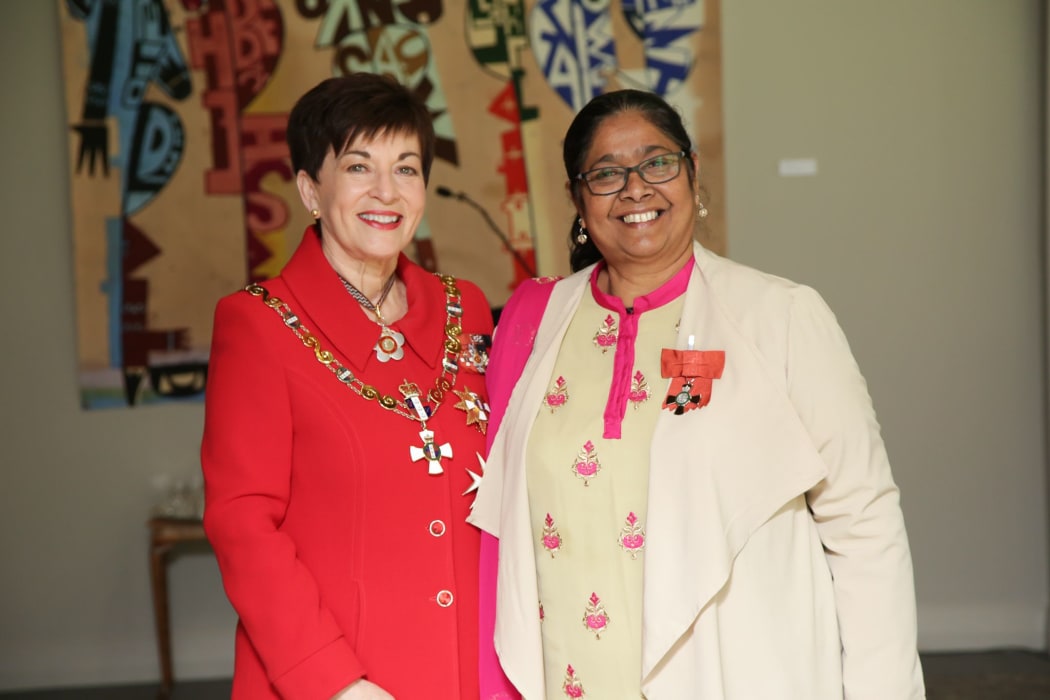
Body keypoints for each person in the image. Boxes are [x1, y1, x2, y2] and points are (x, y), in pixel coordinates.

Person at [470, 89, 926, 699]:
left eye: (657, 163)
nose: (636, 189)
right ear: (578, 200)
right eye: (607, 174)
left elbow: (863, 521)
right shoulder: (540, 322)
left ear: (692, 175)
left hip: (741, 675)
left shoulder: (780, 317)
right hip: (569, 677)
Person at [201, 73, 493, 700]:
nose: (386, 192)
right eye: (359, 166)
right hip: (337, 679)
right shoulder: (257, 323)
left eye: (407, 168)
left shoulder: (464, 309)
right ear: (311, 187)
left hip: (471, 672)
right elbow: (242, 522)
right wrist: (333, 682)